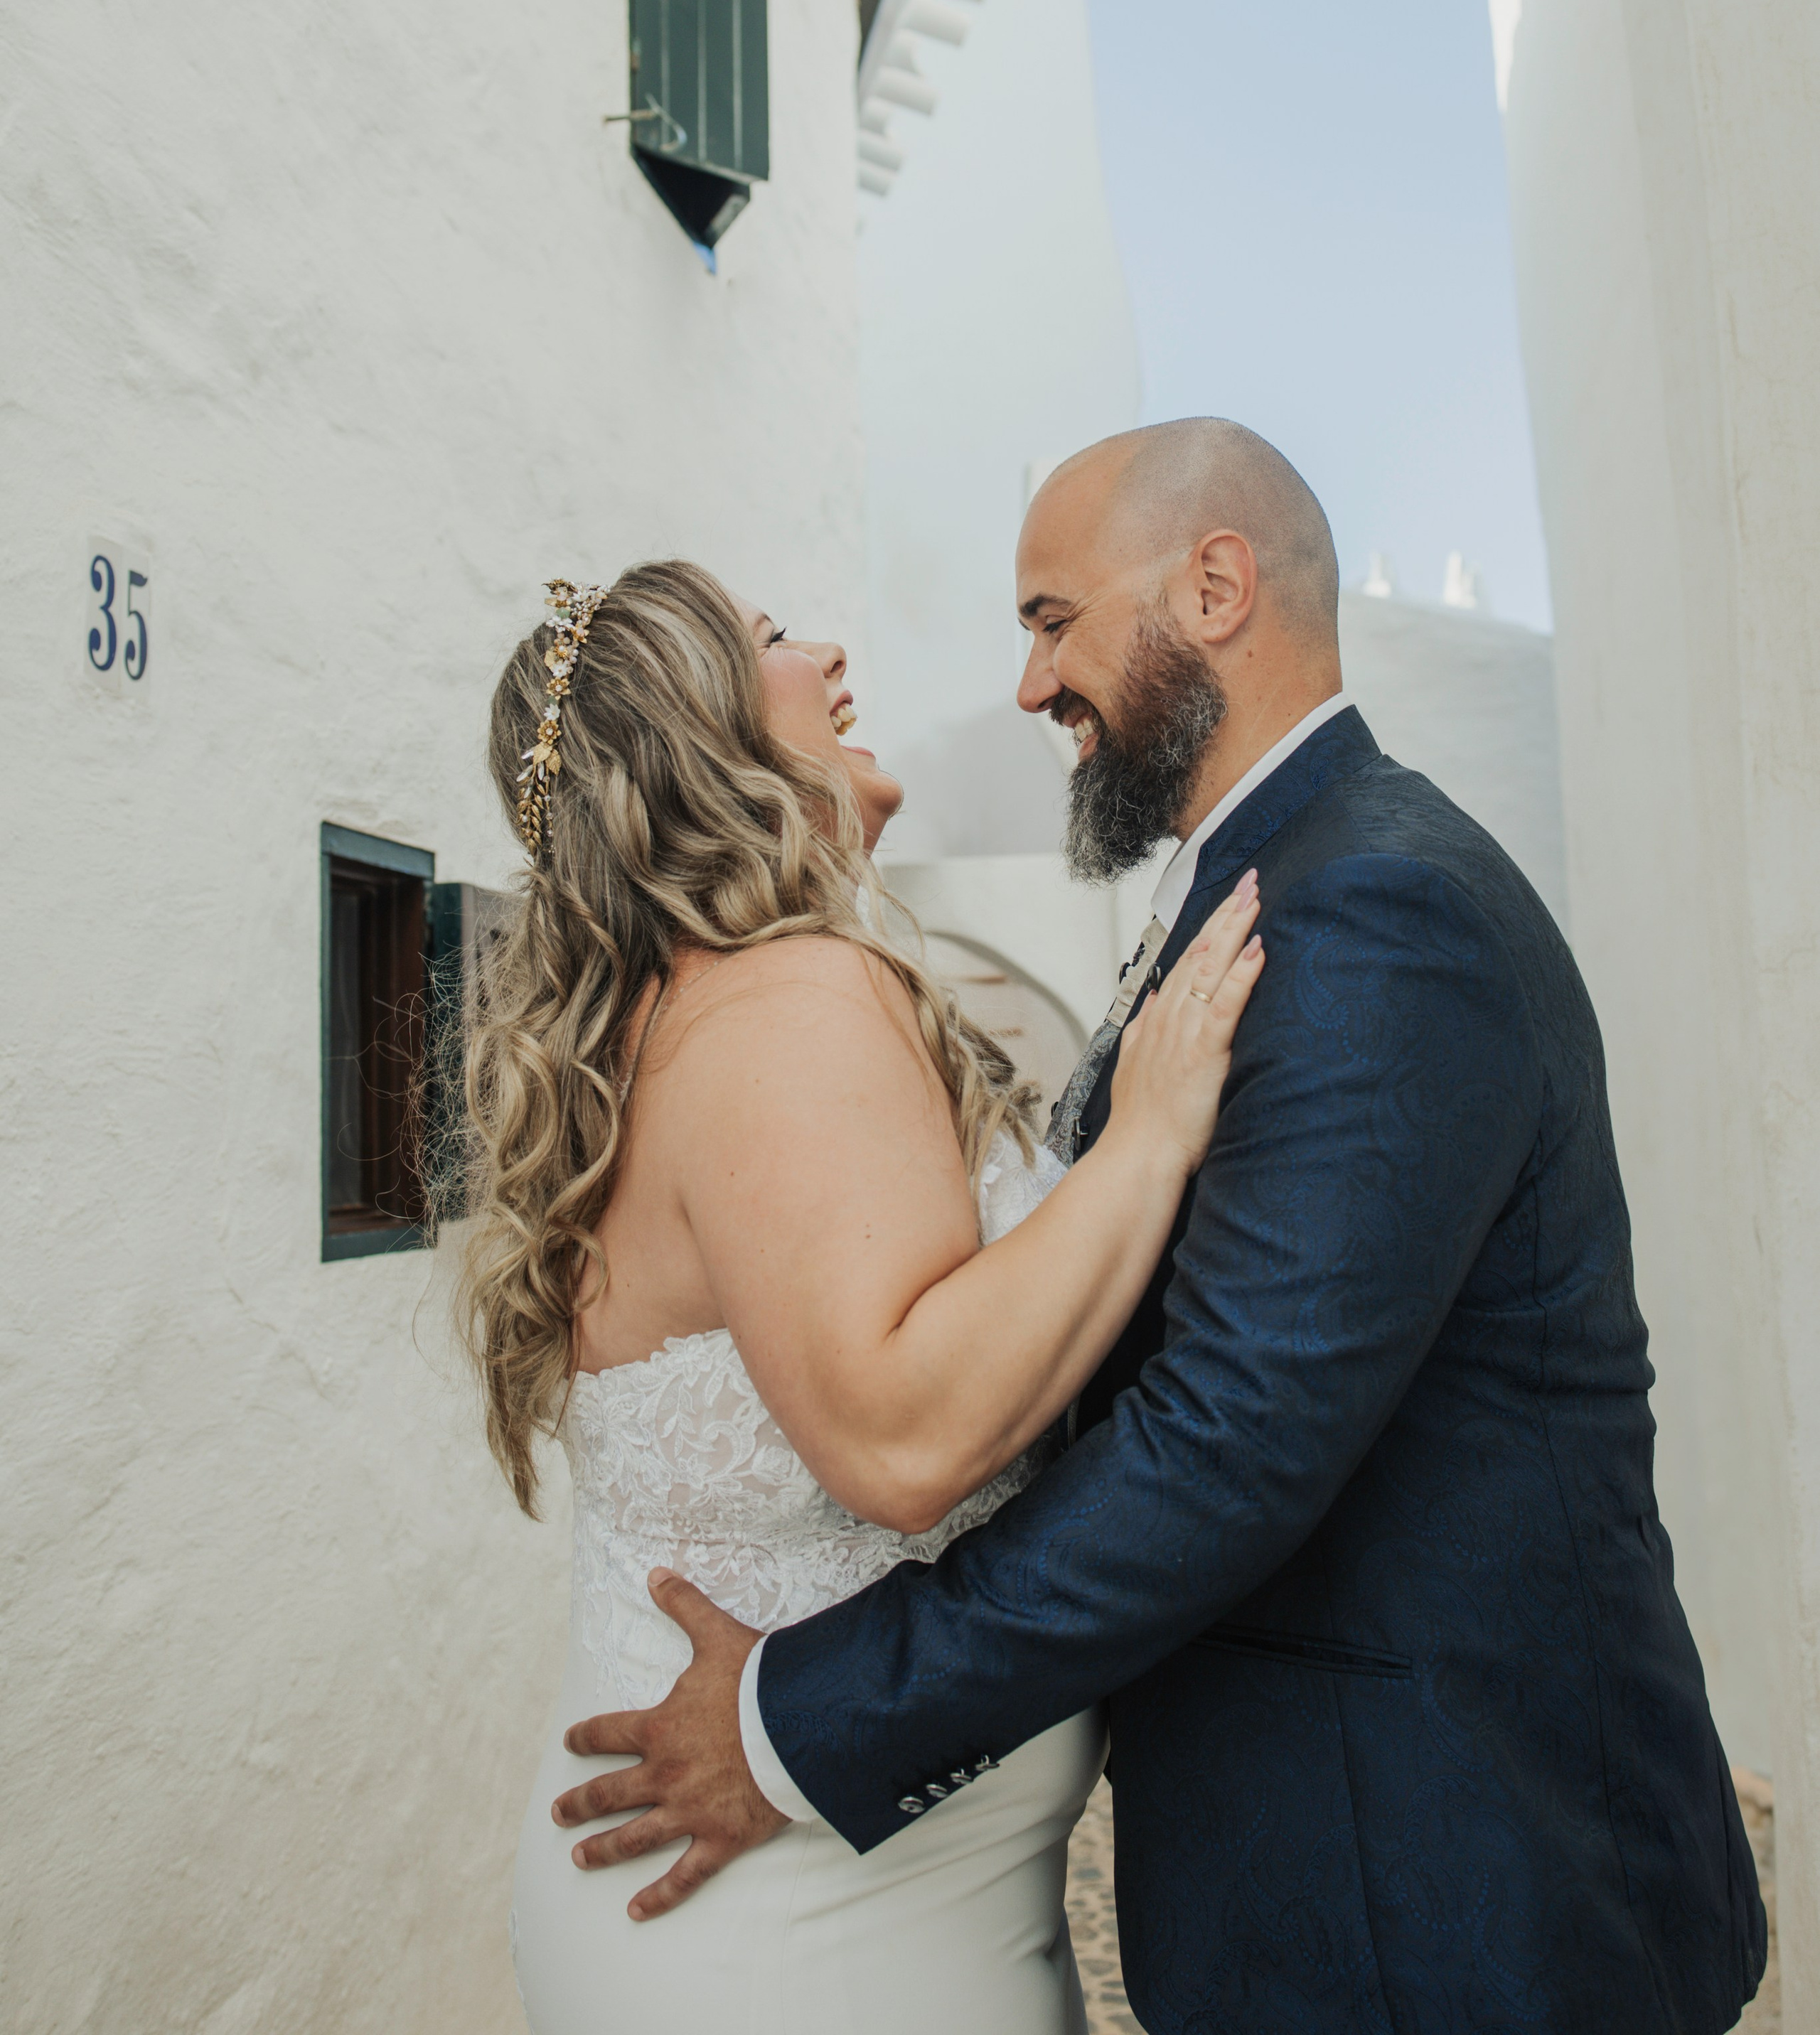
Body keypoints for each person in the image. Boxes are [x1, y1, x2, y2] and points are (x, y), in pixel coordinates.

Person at [555, 422, 1767, 2035]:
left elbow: (1230, 1437)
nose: (1027, 686)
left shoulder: (1372, 906)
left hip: (1444, 1886)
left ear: (1212, 588)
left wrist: (802, 1721)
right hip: (1297, 1880)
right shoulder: (1262, 885)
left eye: (1052, 621)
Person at [453, 559, 1265, 2035]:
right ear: (696, 730)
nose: (828, 653)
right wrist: (1145, 1149)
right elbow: (899, 1438)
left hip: (825, 1898)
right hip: (798, 1937)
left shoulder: (688, 1014)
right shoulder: (784, 1001)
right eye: (771, 636)